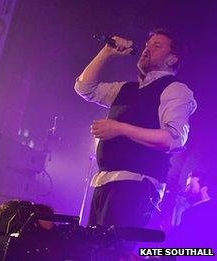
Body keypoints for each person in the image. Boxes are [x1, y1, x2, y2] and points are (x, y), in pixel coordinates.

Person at [74, 29, 197, 257]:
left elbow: (173, 138)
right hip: (105, 183)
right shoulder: (126, 89)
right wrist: (107, 51)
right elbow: (84, 88)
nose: (147, 48)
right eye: (148, 43)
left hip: (137, 185)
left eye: (157, 45)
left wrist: (119, 128)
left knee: (115, 253)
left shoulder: (175, 89)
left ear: (173, 58)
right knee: (91, 252)